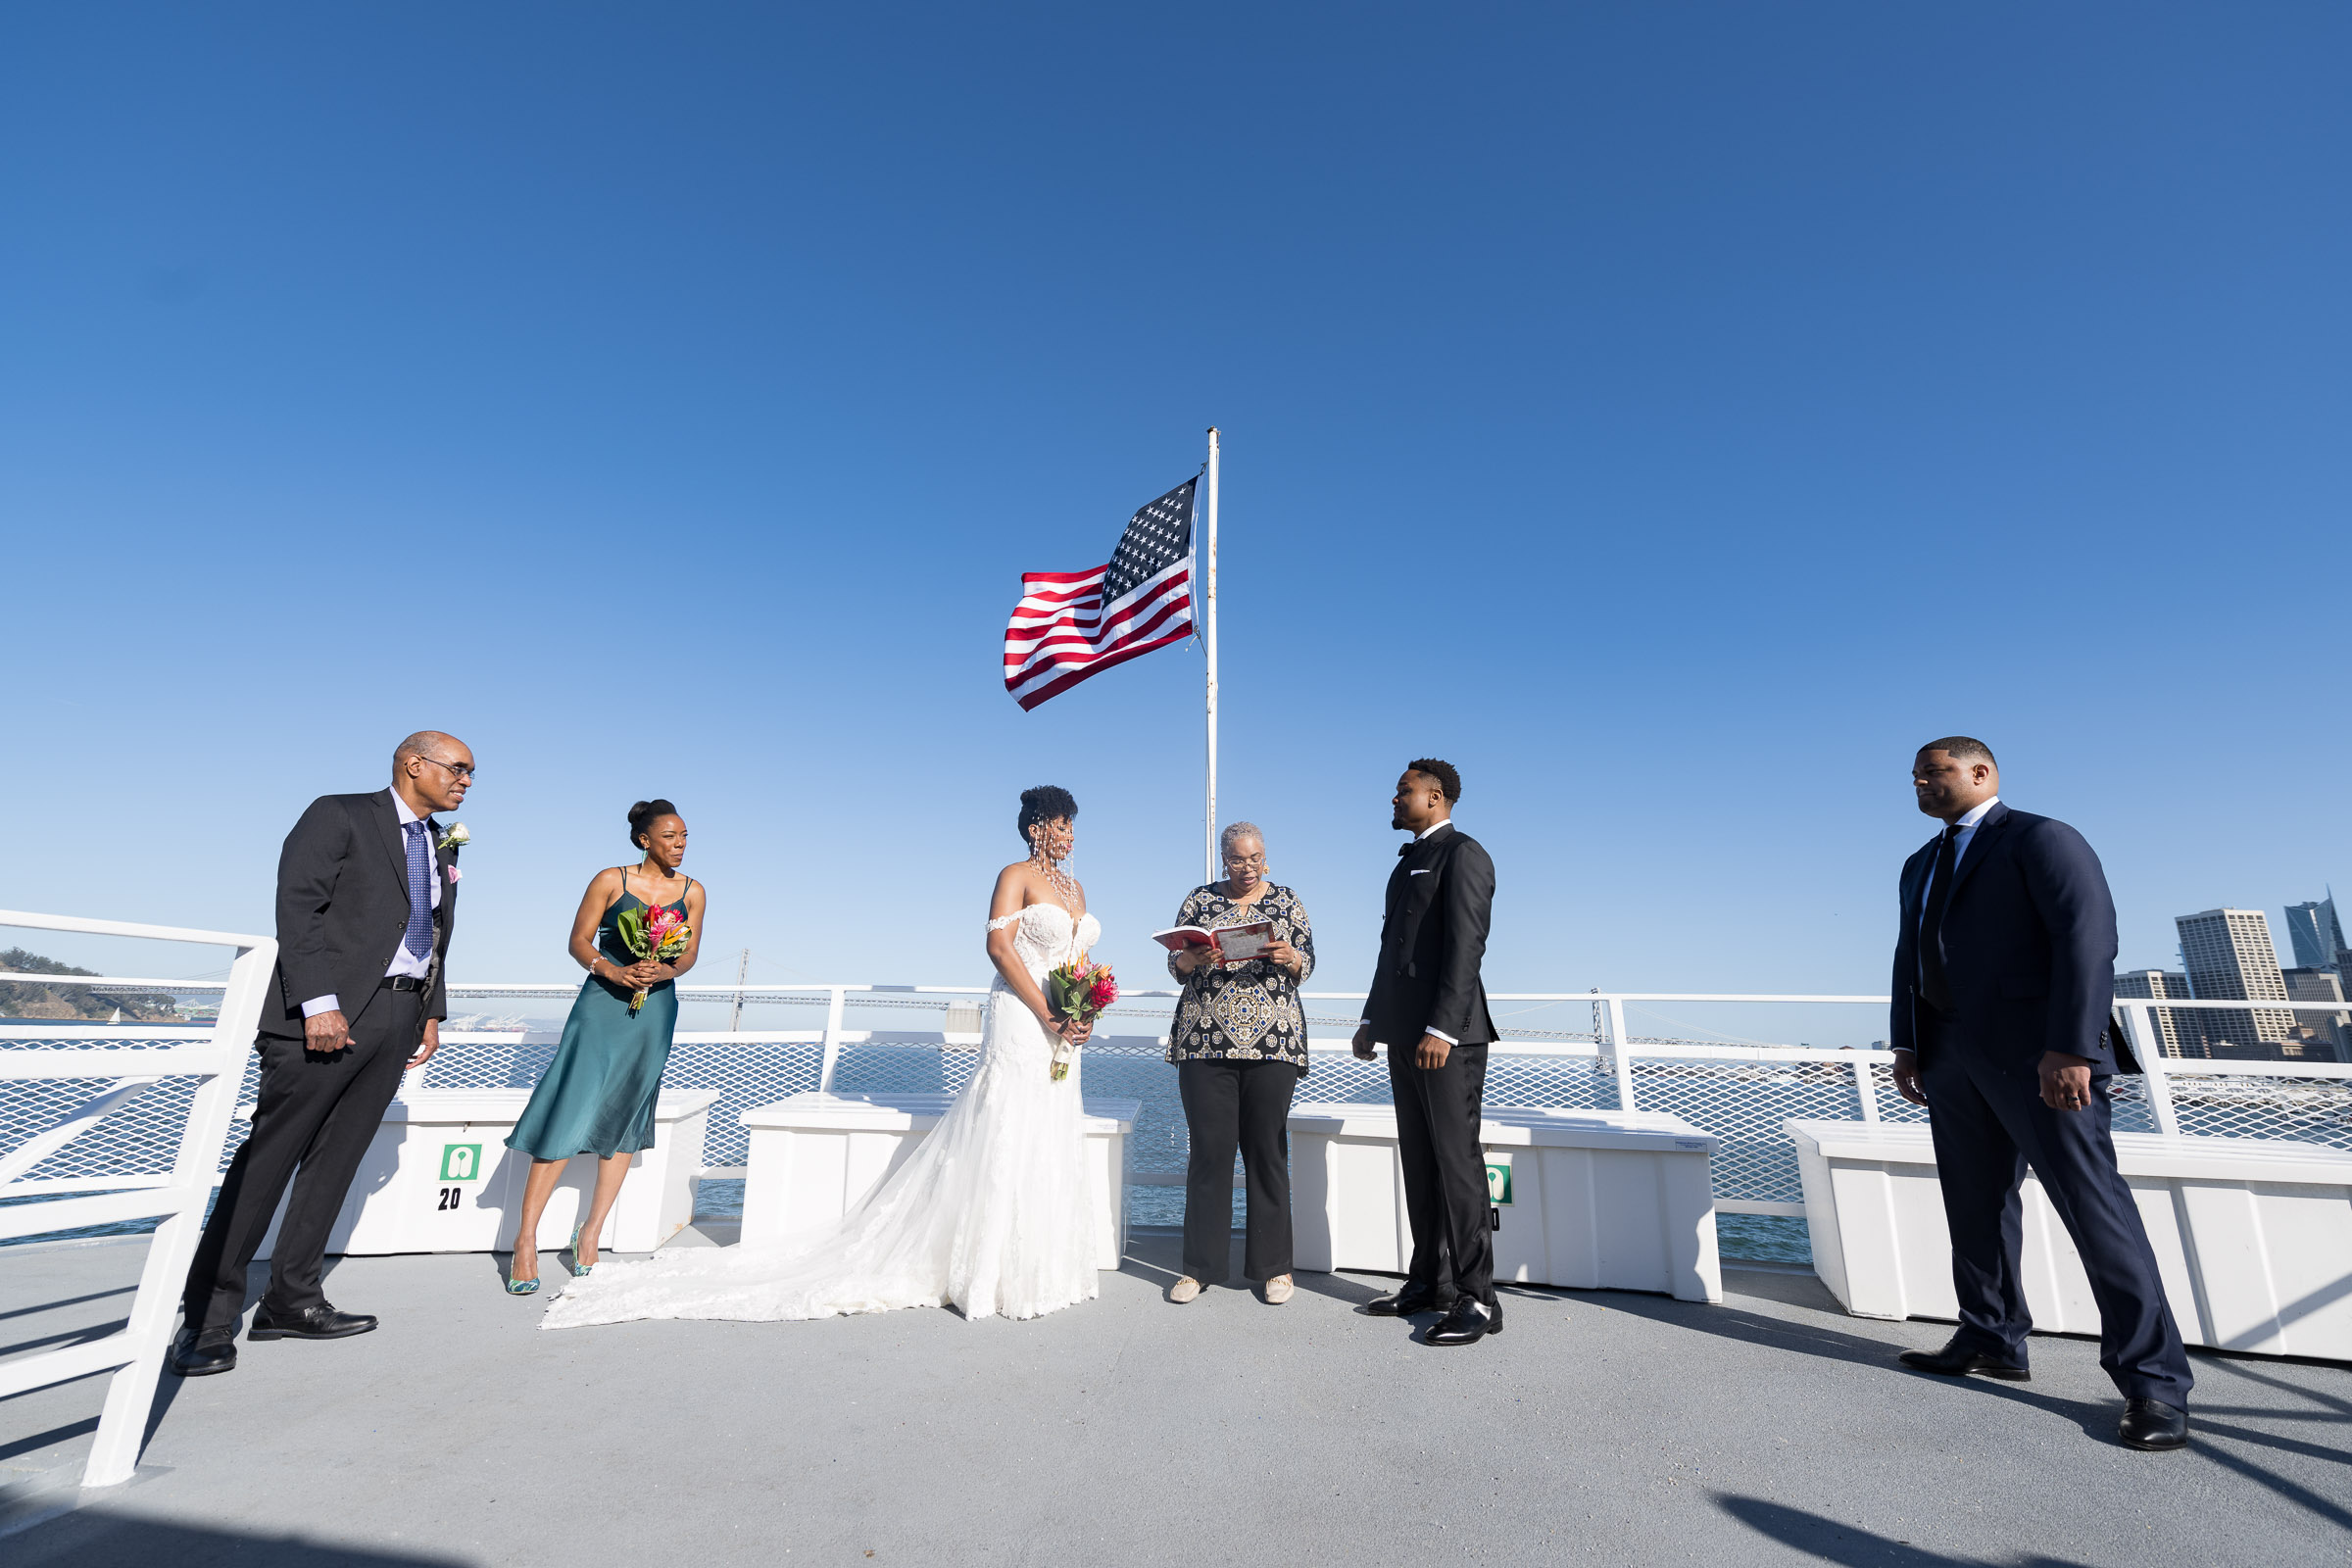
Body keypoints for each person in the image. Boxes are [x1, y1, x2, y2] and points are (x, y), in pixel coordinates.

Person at [540, 785, 1102, 1328]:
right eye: (1061, 823)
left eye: (1073, 824)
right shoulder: (1015, 876)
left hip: (1061, 1028)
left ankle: (1042, 1263)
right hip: (1021, 1021)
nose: (1070, 834)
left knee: (1048, 1127)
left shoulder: (1076, 891)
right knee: (1008, 1123)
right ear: (1036, 827)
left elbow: (1074, 962)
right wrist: (1046, 1015)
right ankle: (990, 1268)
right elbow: (1000, 949)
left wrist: (1081, 1011)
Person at [1889, 737, 2193, 1451]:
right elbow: (1911, 953)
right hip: (1948, 1052)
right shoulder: (1918, 865)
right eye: (1914, 778)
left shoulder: (2041, 838)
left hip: (2040, 1055)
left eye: (1933, 773)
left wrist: (2072, 1048)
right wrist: (1907, 1041)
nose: (1920, 785)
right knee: (1975, 1205)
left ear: (1980, 773)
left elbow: (2087, 938)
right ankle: (1991, 1337)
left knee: (2095, 1212)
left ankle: (2154, 1385)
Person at [172, 731, 472, 1376]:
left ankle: (292, 1300)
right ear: (412, 764)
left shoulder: (440, 842)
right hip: (326, 1015)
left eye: (470, 773)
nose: (466, 781)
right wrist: (318, 1003)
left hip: (397, 1016)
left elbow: (437, 932)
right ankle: (205, 1318)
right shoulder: (338, 814)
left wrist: (430, 1013)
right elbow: (298, 906)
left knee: (335, 1164)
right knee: (268, 1164)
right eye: (458, 768)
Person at [501, 800, 706, 1294]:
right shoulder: (610, 880)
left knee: (624, 1113)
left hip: (654, 1010)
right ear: (644, 840)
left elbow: (692, 951)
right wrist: (612, 970)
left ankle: (590, 1232)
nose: (679, 845)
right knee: (571, 1109)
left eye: (684, 837)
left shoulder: (693, 890)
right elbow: (578, 940)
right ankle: (524, 1240)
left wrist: (667, 969)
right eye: (670, 837)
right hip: (601, 1004)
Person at [1351, 760, 1501, 1348]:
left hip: (1448, 1039)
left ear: (1435, 797)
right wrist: (1371, 1018)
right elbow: (1393, 949)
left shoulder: (1464, 854)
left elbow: (1467, 951)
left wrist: (1441, 1028)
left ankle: (1478, 1298)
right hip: (1405, 1035)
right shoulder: (1405, 865)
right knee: (1419, 1159)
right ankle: (1429, 1281)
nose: (1394, 799)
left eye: (1403, 791)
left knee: (1458, 1164)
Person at [1163, 821, 1316, 1306]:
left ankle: (1274, 1270)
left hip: (1273, 1044)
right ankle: (1199, 1269)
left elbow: (1307, 964)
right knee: (1209, 1153)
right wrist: (1192, 960)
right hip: (1205, 1043)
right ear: (1223, 859)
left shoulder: (1287, 900)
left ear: (1265, 858)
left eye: (1255, 858)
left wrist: (1289, 954)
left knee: (1267, 1152)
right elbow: (1176, 967)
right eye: (1236, 859)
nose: (1246, 867)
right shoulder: (1199, 900)